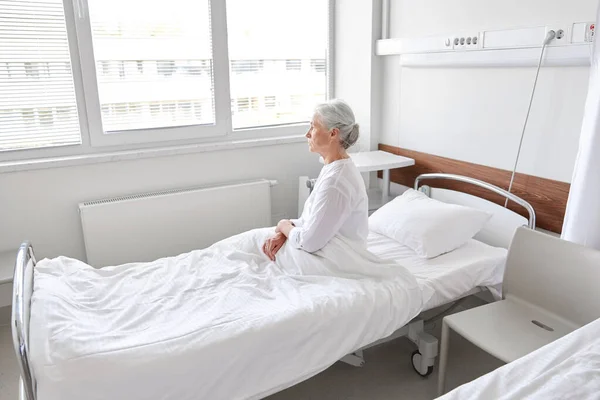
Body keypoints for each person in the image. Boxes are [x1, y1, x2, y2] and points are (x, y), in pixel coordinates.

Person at [263, 99, 368, 261]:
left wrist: (284, 226)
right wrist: (286, 230)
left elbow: (309, 242)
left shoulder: (336, 182)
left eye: (313, 127)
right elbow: (313, 223)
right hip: (327, 248)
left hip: (335, 259)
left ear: (333, 133)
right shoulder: (334, 169)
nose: (307, 134)